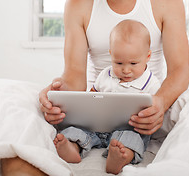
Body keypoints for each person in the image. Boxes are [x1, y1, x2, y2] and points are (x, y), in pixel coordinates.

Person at [1, 0, 189, 174]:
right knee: (15, 102)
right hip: (97, 107)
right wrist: (56, 95)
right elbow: (74, 77)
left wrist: (160, 104)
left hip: (146, 109)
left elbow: (180, 71)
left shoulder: (167, 0)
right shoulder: (77, 4)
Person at [54, 19, 161, 175]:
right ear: (111, 54)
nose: (125, 70)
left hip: (128, 129)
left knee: (134, 139)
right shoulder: (105, 75)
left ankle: (120, 157)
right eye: (118, 63)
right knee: (74, 130)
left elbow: (157, 110)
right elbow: (92, 95)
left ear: (148, 56)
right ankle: (72, 148)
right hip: (97, 128)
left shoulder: (151, 83)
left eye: (133, 63)